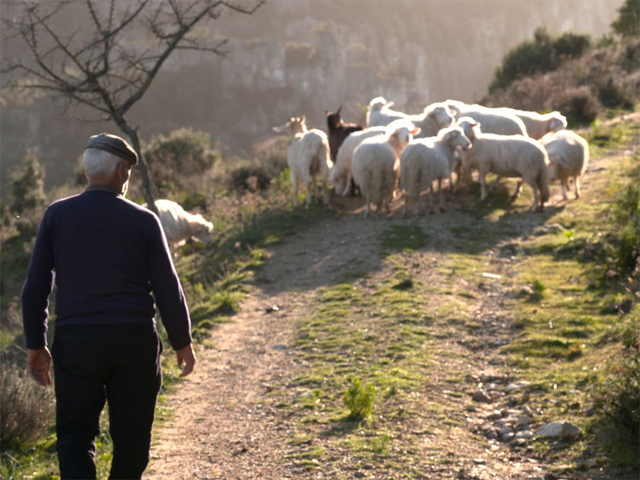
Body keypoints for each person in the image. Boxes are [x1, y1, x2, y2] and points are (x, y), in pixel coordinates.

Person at [22, 133, 196, 480]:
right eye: (128, 172)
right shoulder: (144, 220)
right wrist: (182, 341)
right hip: (133, 341)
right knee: (132, 440)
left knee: (74, 434)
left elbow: (35, 287)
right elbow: (167, 286)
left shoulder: (57, 215)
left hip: (76, 341)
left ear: (88, 172)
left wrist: (35, 346)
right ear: (120, 171)